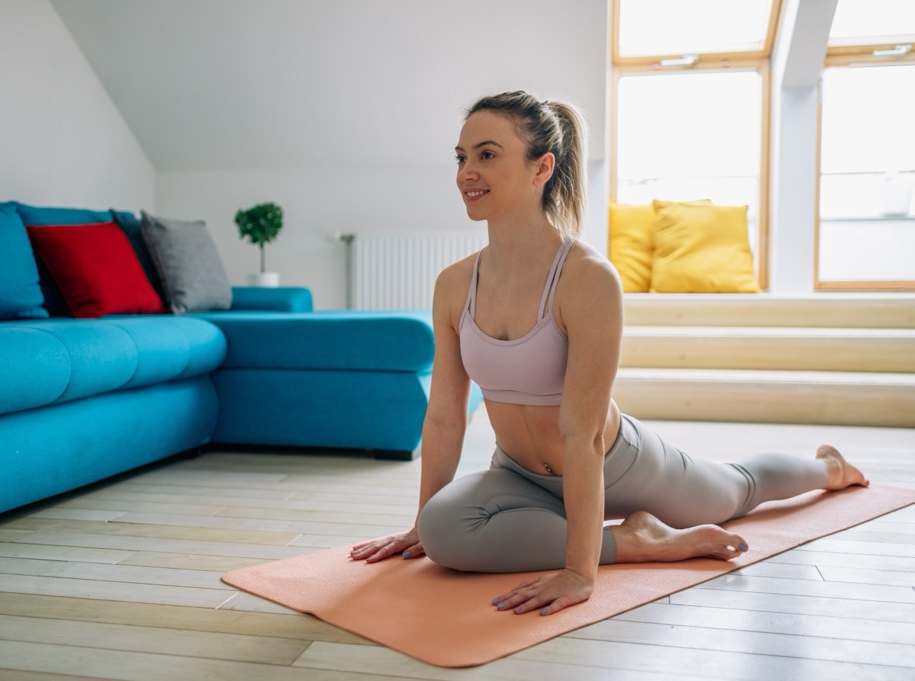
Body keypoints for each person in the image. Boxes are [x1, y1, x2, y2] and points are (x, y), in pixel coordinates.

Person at [349, 91, 868, 617]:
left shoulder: (586, 278)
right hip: (518, 474)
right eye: (461, 157)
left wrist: (579, 571)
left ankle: (826, 469)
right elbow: (442, 418)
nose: (467, 173)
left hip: (618, 464)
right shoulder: (454, 284)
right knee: (443, 533)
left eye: (487, 155)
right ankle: (637, 541)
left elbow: (584, 433)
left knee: (736, 490)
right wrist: (420, 523)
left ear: (541, 167)